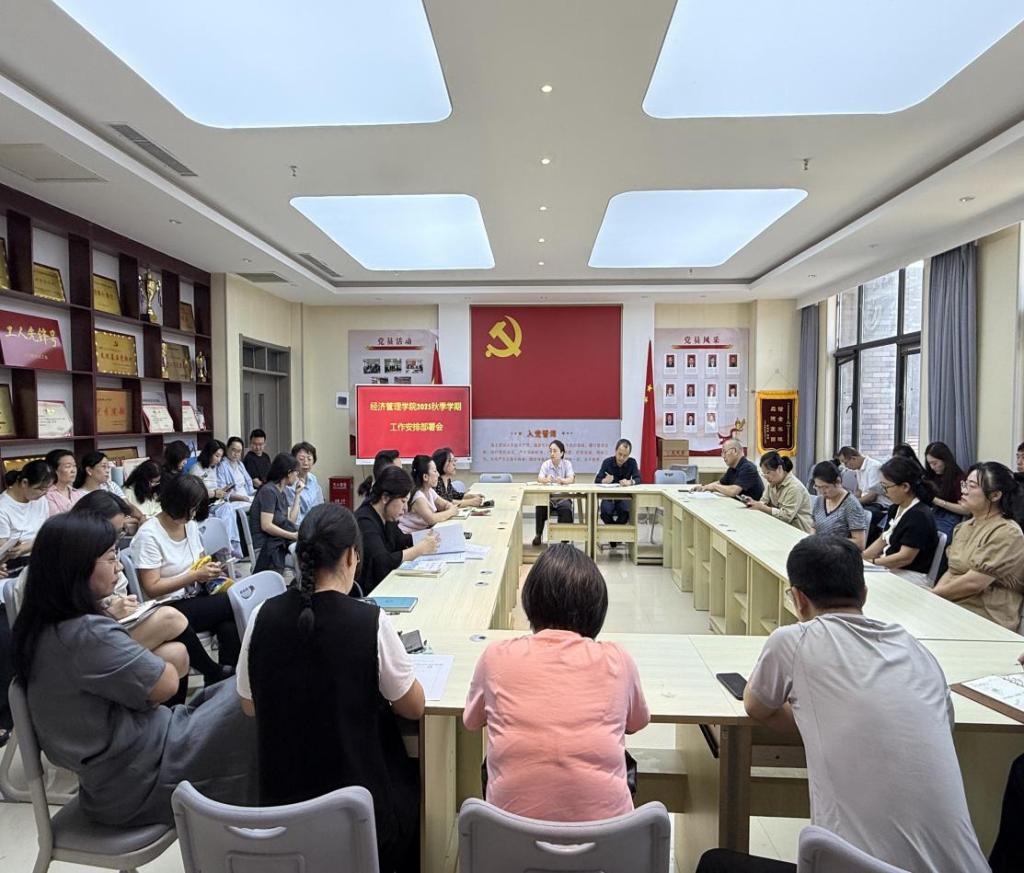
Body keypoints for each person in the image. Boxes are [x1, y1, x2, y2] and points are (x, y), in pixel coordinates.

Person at [696, 535, 988, 873]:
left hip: (858, 869)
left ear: (798, 599)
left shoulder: (794, 640)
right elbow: (943, 723)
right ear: (864, 594)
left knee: (715, 863)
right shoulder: (915, 649)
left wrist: (814, 714)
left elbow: (756, 706)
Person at [11, 512, 256, 828]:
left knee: (239, 691)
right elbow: (167, 683)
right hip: (141, 777)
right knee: (257, 700)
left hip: (123, 771)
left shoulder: (42, 628)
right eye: (111, 557)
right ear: (77, 567)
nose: (118, 567)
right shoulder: (87, 633)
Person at [237, 504, 423, 872]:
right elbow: (413, 707)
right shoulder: (369, 621)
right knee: (415, 786)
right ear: (352, 556)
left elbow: (249, 705)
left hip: (282, 813)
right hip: (358, 819)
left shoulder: (262, 616)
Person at [464, 544, 650, 821]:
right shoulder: (618, 660)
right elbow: (636, 723)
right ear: (597, 609)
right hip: (608, 839)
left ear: (531, 602)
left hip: (508, 837)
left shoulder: (496, 657)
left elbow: (472, 721)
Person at [67, 491, 230, 688]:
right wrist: (109, 612)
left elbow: (115, 593)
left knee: (179, 652)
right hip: (96, 638)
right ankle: (215, 673)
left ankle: (219, 681)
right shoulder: (78, 560)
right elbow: (77, 620)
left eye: (120, 532)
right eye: (114, 531)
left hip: (116, 624)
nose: (118, 566)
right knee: (182, 614)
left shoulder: (190, 527)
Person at [130, 474, 239, 668]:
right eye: (191, 508)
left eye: (196, 508)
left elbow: (200, 560)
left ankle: (225, 675)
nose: (193, 514)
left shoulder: (189, 525)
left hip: (195, 595)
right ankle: (216, 672)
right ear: (176, 504)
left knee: (229, 623)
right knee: (233, 601)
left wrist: (211, 571)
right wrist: (194, 575)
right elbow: (152, 588)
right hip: (168, 607)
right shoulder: (148, 535)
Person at [932, 462, 1024, 631]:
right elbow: (952, 570)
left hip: (985, 615)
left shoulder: (1007, 532)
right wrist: (935, 597)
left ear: (995, 495)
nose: (964, 491)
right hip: (954, 605)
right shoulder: (963, 527)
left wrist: (933, 595)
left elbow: (975, 583)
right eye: (965, 484)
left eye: (972, 486)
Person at [355, 466, 438, 594]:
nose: (405, 508)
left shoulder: (387, 517)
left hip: (387, 583)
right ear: (385, 498)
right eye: (403, 501)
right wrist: (420, 549)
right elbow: (382, 562)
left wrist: (429, 537)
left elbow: (402, 540)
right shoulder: (364, 522)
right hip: (372, 592)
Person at [861, 457, 939, 586]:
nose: (884, 492)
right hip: (891, 567)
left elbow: (905, 558)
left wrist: (872, 563)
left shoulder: (919, 515)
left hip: (911, 573)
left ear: (905, 486)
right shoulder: (895, 508)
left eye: (886, 487)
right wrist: (861, 558)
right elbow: (883, 539)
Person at [248, 452, 302, 572]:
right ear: (289, 473)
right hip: (265, 547)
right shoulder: (268, 491)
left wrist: (297, 495)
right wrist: (292, 536)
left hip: (278, 541)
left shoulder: (281, 492)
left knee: (305, 554)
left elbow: (290, 521)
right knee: (302, 559)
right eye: (296, 472)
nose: (297, 476)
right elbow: (266, 526)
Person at [0, 460, 54, 566]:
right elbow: (4, 550)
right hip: (17, 562)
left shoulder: (41, 500)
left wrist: (27, 547)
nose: (45, 493)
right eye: (41, 489)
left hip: (41, 553)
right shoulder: (3, 507)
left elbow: (46, 533)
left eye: (48, 488)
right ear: (24, 482)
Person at [743, 452, 813, 532]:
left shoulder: (794, 488)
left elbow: (786, 517)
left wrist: (762, 507)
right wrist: (754, 503)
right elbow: (764, 501)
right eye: (764, 474)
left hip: (797, 531)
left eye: (768, 472)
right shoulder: (772, 483)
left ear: (779, 469)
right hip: (778, 526)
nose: (766, 477)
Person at [809, 461, 868, 549]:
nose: (822, 492)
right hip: (820, 548)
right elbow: (814, 526)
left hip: (839, 552)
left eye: (826, 487)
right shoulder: (820, 500)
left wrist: (828, 541)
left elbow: (860, 543)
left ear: (838, 481)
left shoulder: (851, 505)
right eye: (818, 487)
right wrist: (812, 538)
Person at [837, 446, 891, 538]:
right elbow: (860, 490)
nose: (846, 466)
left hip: (880, 505)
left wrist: (853, 503)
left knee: (859, 515)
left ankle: (859, 542)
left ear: (854, 458)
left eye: (846, 463)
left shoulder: (873, 467)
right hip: (869, 503)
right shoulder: (858, 469)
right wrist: (849, 499)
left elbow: (872, 496)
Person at [397, 454, 459, 535]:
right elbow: (431, 519)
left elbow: (444, 504)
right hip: (409, 536)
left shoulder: (429, 490)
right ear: (425, 477)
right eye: (435, 471)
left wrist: (449, 507)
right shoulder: (418, 497)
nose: (438, 474)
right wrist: (451, 511)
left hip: (423, 533)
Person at [594, 439, 641, 537]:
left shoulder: (632, 463)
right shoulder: (607, 462)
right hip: (608, 497)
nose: (621, 458)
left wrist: (630, 482)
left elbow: (638, 478)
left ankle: (614, 537)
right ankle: (615, 536)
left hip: (624, 497)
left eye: (625, 456)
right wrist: (604, 480)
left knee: (626, 511)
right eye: (620, 454)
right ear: (615, 451)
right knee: (605, 512)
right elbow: (597, 480)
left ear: (629, 455)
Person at [533, 440, 576, 547]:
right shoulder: (546, 464)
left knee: (566, 509)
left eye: (555, 451)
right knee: (540, 506)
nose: (552, 453)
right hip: (549, 498)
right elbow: (539, 478)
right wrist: (546, 479)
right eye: (550, 451)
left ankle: (564, 541)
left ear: (562, 453)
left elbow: (571, 478)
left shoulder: (567, 464)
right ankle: (538, 535)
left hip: (563, 497)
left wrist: (563, 480)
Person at [923, 441, 970, 539]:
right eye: (929, 463)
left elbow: (967, 510)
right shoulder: (932, 476)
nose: (932, 467)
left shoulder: (960, 479)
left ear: (945, 460)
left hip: (950, 517)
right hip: (933, 513)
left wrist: (938, 501)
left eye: (935, 463)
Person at [696, 438, 764, 500]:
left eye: (725, 452)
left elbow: (733, 491)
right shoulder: (732, 468)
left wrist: (714, 486)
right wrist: (704, 487)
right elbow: (720, 483)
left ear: (735, 451)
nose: (723, 456)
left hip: (752, 507)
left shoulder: (748, 467)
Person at [285, 441, 324, 525]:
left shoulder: (313, 478)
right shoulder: (289, 483)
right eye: (301, 459)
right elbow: (294, 519)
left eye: (309, 459)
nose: (306, 463)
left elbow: (320, 505)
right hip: (300, 526)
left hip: (316, 524)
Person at [44, 449, 84, 516]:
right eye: (68, 466)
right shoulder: (47, 495)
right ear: (54, 470)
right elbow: (55, 518)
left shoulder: (78, 493)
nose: (73, 470)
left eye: (74, 466)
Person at [216, 436, 256, 501]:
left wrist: (256, 492)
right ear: (227, 448)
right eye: (234, 450)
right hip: (234, 500)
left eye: (239, 451)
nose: (236, 454)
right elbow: (222, 491)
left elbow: (249, 484)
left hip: (247, 497)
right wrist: (241, 498)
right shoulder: (221, 465)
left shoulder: (240, 464)